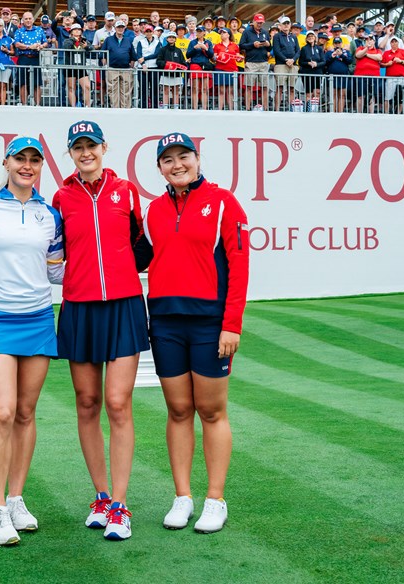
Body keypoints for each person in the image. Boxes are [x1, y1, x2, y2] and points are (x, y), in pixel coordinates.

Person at [134, 132, 249, 534]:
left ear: (198, 160)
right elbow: (134, 257)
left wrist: (231, 324)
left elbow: (239, 266)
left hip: (209, 324)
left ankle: (215, 499)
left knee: (212, 411)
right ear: (160, 168)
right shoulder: (153, 210)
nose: (177, 164)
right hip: (164, 322)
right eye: (168, 159)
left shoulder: (223, 202)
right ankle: (183, 497)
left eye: (184, 156)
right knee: (179, 410)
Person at [0, 137, 64, 546]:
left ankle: (18, 498)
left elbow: (55, 269)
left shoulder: (49, 214)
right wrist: (2, 265)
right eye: (19, 158)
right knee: (1, 412)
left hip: (38, 318)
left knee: (25, 412)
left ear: (41, 166)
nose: (26, 165)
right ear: (6, 162)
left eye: (34, 160)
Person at [51, 121, 148, 541]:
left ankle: (121, 506)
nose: (86, 152)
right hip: (79, 306)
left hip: (124, 305)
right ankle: (102, 497)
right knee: (87, 402)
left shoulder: (126, 191)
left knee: (117, 402)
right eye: (78, 147)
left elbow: (143, 246)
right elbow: (53, 251)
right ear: (70, 153)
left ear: (105, 148)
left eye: (92, 145)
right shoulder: (61, 196)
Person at [12, 12, 46, 106]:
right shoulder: (19, 31)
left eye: (30, 18)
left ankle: (38, 105)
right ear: (23, 20)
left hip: (35, 58)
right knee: (23, 82)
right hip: (23, 58)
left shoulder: (39, 30)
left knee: (37, 83)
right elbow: (17, 44)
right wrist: (29, 47)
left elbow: (46, 42)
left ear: (33, 19)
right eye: (26, 19)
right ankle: (24, 105)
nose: (28, 20)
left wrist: (41, 46)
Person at [239, 13, 271, 110]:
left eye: (261, 23)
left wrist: (268, 44)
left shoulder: (265, 32)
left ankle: (265, 109)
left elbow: (270, 49)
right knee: (249, 87)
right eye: (258, 22)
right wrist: (253, 45)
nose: (260, 24)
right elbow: (241, 45)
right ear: (253, 22)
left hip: (263, 62)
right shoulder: (247, 32)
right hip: (251, 62)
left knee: (265, 87)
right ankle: (248, 108)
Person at [102, 20, 134, 108]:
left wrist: (130, 67)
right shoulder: (108, 40)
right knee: (112, 90)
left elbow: (132, 55)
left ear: (124, 28)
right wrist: (106, 66)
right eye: (118, 27)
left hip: (126, 69)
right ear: (115, 28)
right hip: (112, 69)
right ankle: (115, 109)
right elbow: (103, 54)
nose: (120, 29)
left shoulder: (128, 40)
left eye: (122, 27)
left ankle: (125, 109)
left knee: (126, 91)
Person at [272, 15, 300, 110]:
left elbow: (298, 50)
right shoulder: (277, 36)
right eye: (284, 23)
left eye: (288, 23)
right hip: (281, 65)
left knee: (291, 88)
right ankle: (277, 110)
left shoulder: (294, 37)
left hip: (293, 64)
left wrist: (293, 60)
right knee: (279, 88)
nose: (286, 25)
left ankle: (291, 109)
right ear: (280, 25)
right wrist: (285, 60)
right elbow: (276, 50)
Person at [62, 23, 91, 107]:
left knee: (87, 86)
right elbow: (66, 47)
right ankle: (73, 107)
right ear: (71, 32)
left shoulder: (84, 40)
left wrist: (86, 47)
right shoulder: (68, 40)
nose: (77, 31)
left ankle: (88, 106)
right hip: (70, 66)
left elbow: (91, 48)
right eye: (75, 30)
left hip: (81, 66)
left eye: (79, 30)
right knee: (71, 88)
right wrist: (74, 40)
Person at [381, 36, 404, 114]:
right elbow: (381, 64)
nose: (394, 43)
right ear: (390, 43)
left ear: (398, 43)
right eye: (392, 42)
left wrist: (400, 61)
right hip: (390, 77)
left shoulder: (403, 52)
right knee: (387, 97)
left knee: (401, 97)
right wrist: (387, 64)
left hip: (401, 77)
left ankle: (398, 113)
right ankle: (386, 113)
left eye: (395, 41)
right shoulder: (386, 53)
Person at [354, 35, 383, 113]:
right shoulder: (360, 48)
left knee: (372, 96)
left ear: (374, 41)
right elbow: (358, 55)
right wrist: (366, 48)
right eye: (367, 40)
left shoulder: (378, 50)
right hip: (360, 75)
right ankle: (359, 113)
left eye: (370, 40)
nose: (368, 41)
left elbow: (379, 58)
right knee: (360, 96)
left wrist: (366, 55)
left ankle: (371, 114)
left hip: (374, 76)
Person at [157, 31, 187, 109]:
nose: (171, 39)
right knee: (166, 90)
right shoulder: (162, 50)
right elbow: (158, 61)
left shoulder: (178, 51)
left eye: (173, 37)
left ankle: (176, 107)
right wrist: (167, 65)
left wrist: (177, 67)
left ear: (175, 39)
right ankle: (165, 107)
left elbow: (183, 63)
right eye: (170, 37)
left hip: (176, 74)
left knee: (176, 91)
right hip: (166, 74)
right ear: (167, 39)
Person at [187, 25, 213, 109]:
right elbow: (188, 55)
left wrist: (205, 48)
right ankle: (194, 107)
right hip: (195, 65)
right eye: (197, 31)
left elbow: (211, 55)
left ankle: (204, 107)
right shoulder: (192, 42)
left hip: (205, 65)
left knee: (205, 88)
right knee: (195, 88)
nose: (198, 33)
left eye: (200, 31)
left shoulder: (208, 42)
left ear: (204, 32)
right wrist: (194, 48)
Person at [212, 28, 239, 110]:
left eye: (224, 32)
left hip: (232, 69)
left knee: (230, 91)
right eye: (221, 33)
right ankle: (220, 109)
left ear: (228, 34)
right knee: (221, 90)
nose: (222, 34)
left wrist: (240, 58)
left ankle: (231, 110)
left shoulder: (234, 45)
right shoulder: (217, 45)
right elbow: (213, 58)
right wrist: (218, 57)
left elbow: (237, 57)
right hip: (220, 68)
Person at [325, 36, 353, 112]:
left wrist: (342, 55)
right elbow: (325, 62)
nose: (337, 45)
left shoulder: (346, 52)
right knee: (333, 94)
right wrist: (332, 56)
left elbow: (350, 61)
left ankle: (340, 112)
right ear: (333, 44)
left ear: (341, 44)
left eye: (339, 43)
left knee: (342, 95)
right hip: (332, 76)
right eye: (336, 43)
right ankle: (333, 112)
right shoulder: (329, 52)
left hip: (343, 76)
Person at [298, 30, 324, 109]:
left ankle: (315, 108)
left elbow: (323, 61)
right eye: (309, 36)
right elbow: (300, 62)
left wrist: (317, 64)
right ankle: (308, 109)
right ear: (306, 38)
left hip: (317, 72)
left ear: (315, 38)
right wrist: (308, 63)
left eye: (312, 36)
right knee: (308, 93)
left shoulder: (319, 48)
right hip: (307, 72)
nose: (311, 38)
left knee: (317, 92)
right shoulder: (304, 49)